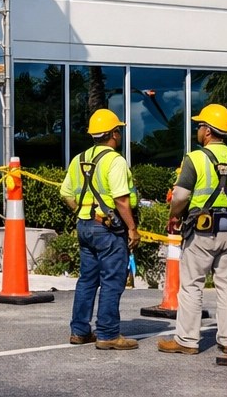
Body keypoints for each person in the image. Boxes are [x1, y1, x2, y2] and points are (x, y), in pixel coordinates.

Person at [158, 103, 227, 356]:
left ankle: (186, 340)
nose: (198, 129)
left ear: (208, 131)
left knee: (192, 286)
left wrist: (174, 215)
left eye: (200, 125)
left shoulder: (195, 158)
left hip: (200, 233)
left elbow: (181, 195)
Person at [59, 108, 140, 350]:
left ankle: (80, 331)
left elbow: (65, 193)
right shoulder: (115, 160)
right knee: (112, 281)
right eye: (119, 131)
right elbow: (121, 200)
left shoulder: (79, 159)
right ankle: (107, 334)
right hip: (108, 229)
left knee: (87, 280)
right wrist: (133, 229)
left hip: (85, 226)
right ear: (114, 133)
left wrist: (81, 211)